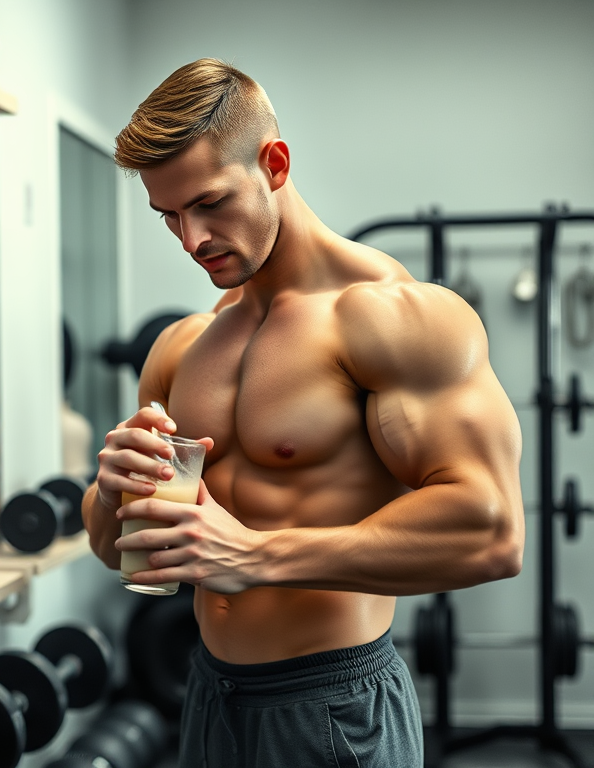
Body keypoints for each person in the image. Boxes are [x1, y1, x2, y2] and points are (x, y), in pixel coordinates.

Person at [81, 59, 525, 767]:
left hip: (332, 705)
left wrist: (255, 555)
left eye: (210, 203)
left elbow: (493, 531)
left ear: (275, 163)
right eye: (169, 216)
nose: (191, 239)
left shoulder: (391, 318)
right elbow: (125, 553)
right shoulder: (184, 347)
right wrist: (109, 494)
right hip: (208, 696)